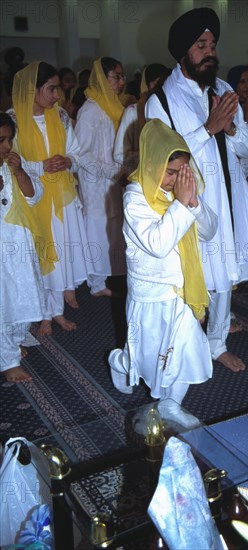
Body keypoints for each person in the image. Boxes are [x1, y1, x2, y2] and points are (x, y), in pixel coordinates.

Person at [146, 7, 248, 373]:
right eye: (201, 45)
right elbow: (161, 159)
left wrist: (231, 130)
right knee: (188, 274)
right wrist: (209, 128)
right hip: (188, 203)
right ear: (183, 52)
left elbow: (247, 148)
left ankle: (217, 342)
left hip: (229, 198)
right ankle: (184, 340)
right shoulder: (160, 101)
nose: (209, 52)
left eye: (212, 44)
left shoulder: (225, 90)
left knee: (225, 273)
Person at [109, 119, 217, 428]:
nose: (176, 179)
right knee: (147, 355)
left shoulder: (181, 191)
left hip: (183, 290)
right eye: (170, 172)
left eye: (181, 172)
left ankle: (171, 405)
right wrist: (182, 204)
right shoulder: (135, 196)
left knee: (186, 344)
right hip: (150, 291)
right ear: (153, 164)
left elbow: (209, 231)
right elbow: (157, 244)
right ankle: (120, 360)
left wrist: (193, 202)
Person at [9, 61, 89, 336]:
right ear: (33, 89)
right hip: (30, 198)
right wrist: (39, 167)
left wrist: (67, 160)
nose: (58, 95)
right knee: (40, 255)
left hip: (62, 198)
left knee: (61, 255)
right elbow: (8, 163)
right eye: (52, 89)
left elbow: (78, 155)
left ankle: (56, 312)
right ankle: (42, 313)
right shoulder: (13, 120)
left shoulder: (62, 117)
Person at [75, 57, 127, 297]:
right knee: (97, 227)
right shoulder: (90, 110)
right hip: (96, 182)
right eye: (116, 76)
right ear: (102, 78)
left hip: (114, 179)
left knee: (114, 226)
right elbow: (80, 153)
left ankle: (110, 275)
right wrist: (108, 171)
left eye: (121, 76)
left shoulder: (113, 106)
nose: (122, 81)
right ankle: (96, 282)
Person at [0, 112, 45, 382]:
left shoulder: (12, 164)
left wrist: (18, 172)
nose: (7, 146)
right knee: (5, 300)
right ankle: (8, 360)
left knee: (22, 294)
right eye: (1, 140)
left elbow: (33, 196)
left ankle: (13, 342)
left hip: (18, 244)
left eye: (9, 140)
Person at [114, 63, 171, 179]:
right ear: (146, 85)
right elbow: (119, 154)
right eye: (156, 83)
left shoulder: (172, 110)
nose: (161, 87)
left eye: (165, 83)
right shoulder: (133, 111)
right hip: (141, 176)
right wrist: (151, 156)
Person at [227, 65, 248, 134]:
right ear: (234, 83)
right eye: (242, 82)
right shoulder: (228, 108)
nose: (247, 86)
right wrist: (246, 120)